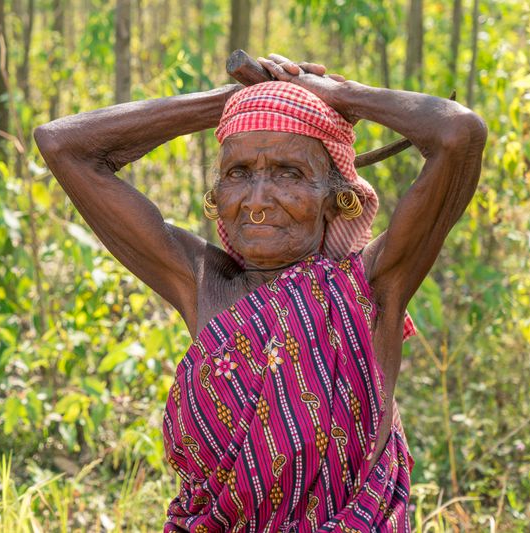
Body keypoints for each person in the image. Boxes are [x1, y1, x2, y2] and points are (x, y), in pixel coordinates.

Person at [34, 53, 486, 532]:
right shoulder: (203, 282)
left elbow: (458, 134)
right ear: (217, 198)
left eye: (290, 174)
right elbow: (62, 144)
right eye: (238, 173)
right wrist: (232, 102)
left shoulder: (371, 287)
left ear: (335, 198)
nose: (256, 199)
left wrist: (335, 95)